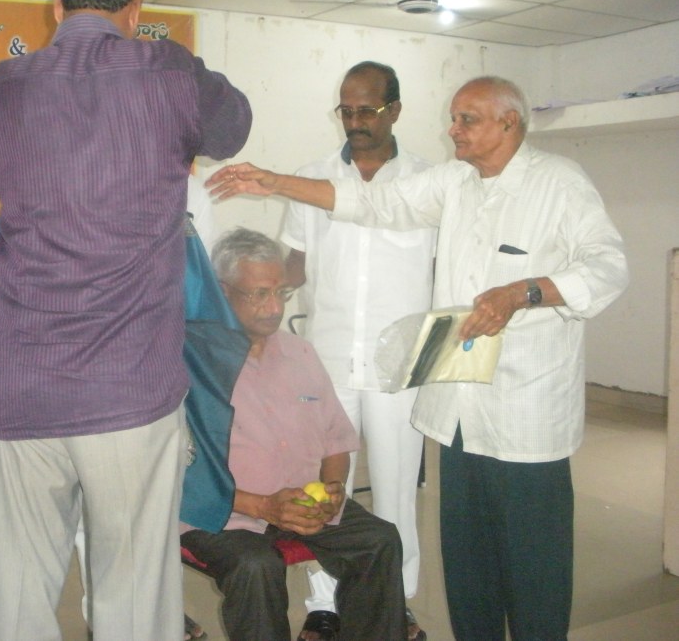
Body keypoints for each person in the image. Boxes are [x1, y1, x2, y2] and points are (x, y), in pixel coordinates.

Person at [208, 76, 630, 641]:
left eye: (466, 119)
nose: (453, 129)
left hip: (525, 416)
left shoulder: (559, 182)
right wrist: (272, 181)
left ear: (509, 122)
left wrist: (524, 291)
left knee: (533, 562)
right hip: (456, 412)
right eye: (453, 118)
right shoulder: (455, 182)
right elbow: (373, 202)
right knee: (467, 561)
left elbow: (607, 268)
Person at [0, 0, 252, 638]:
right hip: (128, 388)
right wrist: (170, 63)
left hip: (27, 385)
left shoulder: (4, 84)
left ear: (57, 5)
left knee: (14, 592)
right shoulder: (166, 71)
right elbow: (232, 126)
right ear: (136, 7)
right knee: (131, 591)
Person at [180, 227, 408, 641]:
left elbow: (336, 439)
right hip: (224, 514)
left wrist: (333, 489)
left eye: (281, 293)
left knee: (378, 540)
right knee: (255, 567)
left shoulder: (300, 352)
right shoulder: (191, 362)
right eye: (259, 294)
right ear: (222, 291)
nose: (274, 307)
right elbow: (179, 472)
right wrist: (262, 506)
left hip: (302, 500)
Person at [280, 61, 433, 641]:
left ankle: (395, 600)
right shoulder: (312, 178)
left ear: (395, 109)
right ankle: (324, 603)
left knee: (395, 490)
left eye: (366, 110)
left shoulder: (428, 181)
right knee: (324, 490)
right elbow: (295, 262)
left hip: (399, 364)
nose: (354, 121)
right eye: (346, 110)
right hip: (328, 359)